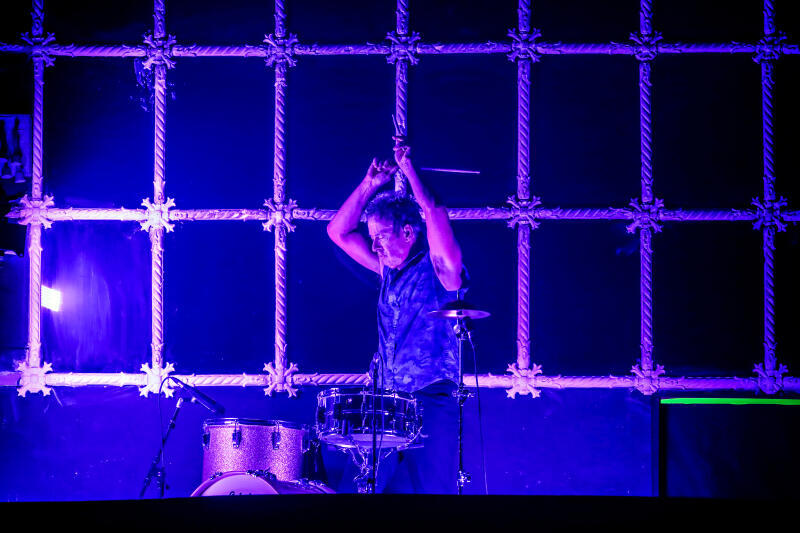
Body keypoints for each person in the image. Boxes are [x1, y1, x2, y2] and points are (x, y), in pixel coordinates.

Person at [326, 141, 467, 494]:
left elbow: (434, 211)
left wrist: (409, 171)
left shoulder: (440, 271)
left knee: (426, 494)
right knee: (360, 489)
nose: (375, 247)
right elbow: (338, 232)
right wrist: (369, 185)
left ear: (408, 232)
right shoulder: (388, 270)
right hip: (387, 400)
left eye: (382, 237)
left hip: (431, 397)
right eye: (372, 239)